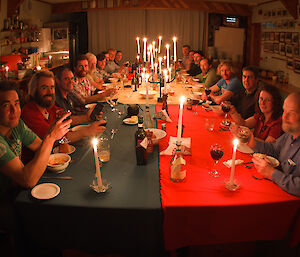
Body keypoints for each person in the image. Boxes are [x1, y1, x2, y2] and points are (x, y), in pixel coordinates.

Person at [0, 80, 70, 199]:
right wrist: (51, 137)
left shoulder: (17, 125)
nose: (14, 110)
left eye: (16, 103)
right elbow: (27, 180)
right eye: (6, 105)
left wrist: (50, 137)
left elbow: (40, 147)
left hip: (16, 190)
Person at [22, 70, 106, 143]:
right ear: (34, 89)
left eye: (52, 87)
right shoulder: (29, 112)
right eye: (44, 88)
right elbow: (55, 139)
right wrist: (86, 131)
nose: (50, 92)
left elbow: (66, 118)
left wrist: (87, 117)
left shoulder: (47, 107)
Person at [247, 92, 300, 197]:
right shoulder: (289, 134)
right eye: (284, 111)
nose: (284, 117)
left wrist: (272, 174)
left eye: (292, 113)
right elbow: (273, 149)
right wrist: (252, 142)